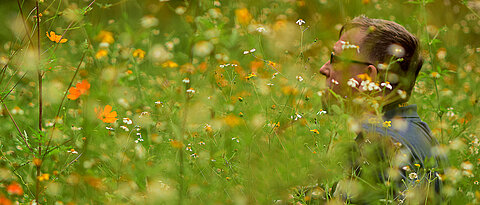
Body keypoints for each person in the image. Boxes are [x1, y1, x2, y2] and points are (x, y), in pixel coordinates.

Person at [317, 16, 444, 204]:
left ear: (368, 77)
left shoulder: (376, 150)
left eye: (334, 59)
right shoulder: (422, 134)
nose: (323, 69)